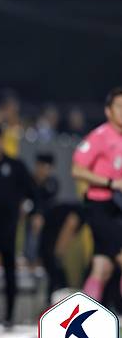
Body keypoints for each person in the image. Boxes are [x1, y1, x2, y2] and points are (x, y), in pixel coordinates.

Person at [0, 124, 34, 327]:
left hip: (9, 227)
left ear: (0, 140)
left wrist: (30, 211)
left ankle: (9, 316)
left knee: (10, 270)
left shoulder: (16, 165)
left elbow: (31, 192)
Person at [73, 87, 122, 305]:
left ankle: (84, 318)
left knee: (102, 268)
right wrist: (110, 183)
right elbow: (76, 169)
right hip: (99, 205)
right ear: (108, 111)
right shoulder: (100, 136)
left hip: (116, 206)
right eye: (120, 107)